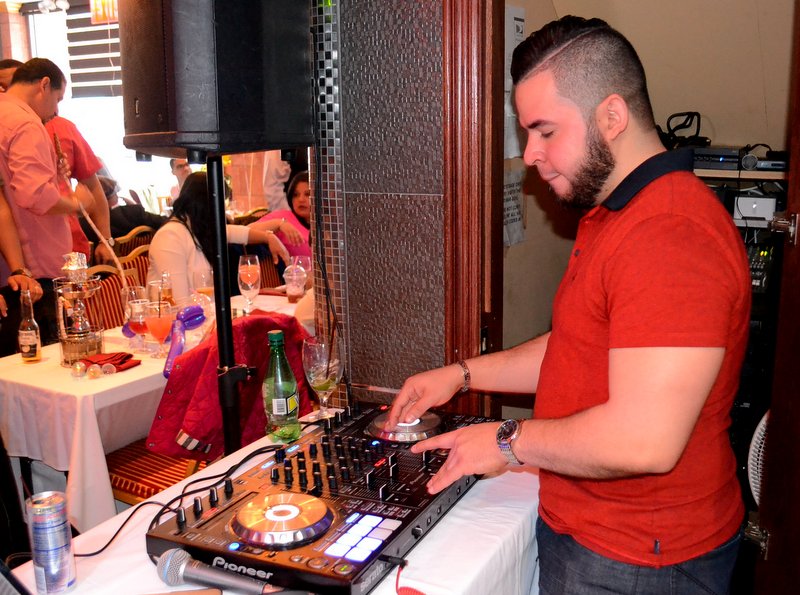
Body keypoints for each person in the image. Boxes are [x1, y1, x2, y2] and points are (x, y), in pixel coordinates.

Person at [386, 16, 750, 594]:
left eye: (545, 131)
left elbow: (643, 441)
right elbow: (578, 347)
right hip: (595, 533)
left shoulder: (669, 234)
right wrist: (461, 374)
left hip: (641, 559)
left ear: (612, 116)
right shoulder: (615, 213)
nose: (531, 154)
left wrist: (506, 441)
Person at [0, 58, 95, 349]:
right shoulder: (25, 123)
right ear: (43, 85)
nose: (56, 110)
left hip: (17, 268)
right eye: (57, 98)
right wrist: (76, 203)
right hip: (37, 271)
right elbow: (34, 195)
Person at [148, 172, 290, 304]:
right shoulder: (171, 237)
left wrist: (269, 237)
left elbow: (238, 233)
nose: (222, 212)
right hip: (180, 320)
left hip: (208, 314)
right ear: (204, 204)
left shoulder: (198, 228)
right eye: (220, 205)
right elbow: (180, 303)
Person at [248, 170, 312, 259]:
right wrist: (279, 224)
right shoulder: (284, 216)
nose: (301, 199)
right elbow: (247, 231)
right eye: (295, 195)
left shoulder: (327, 224)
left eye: (307, 194)